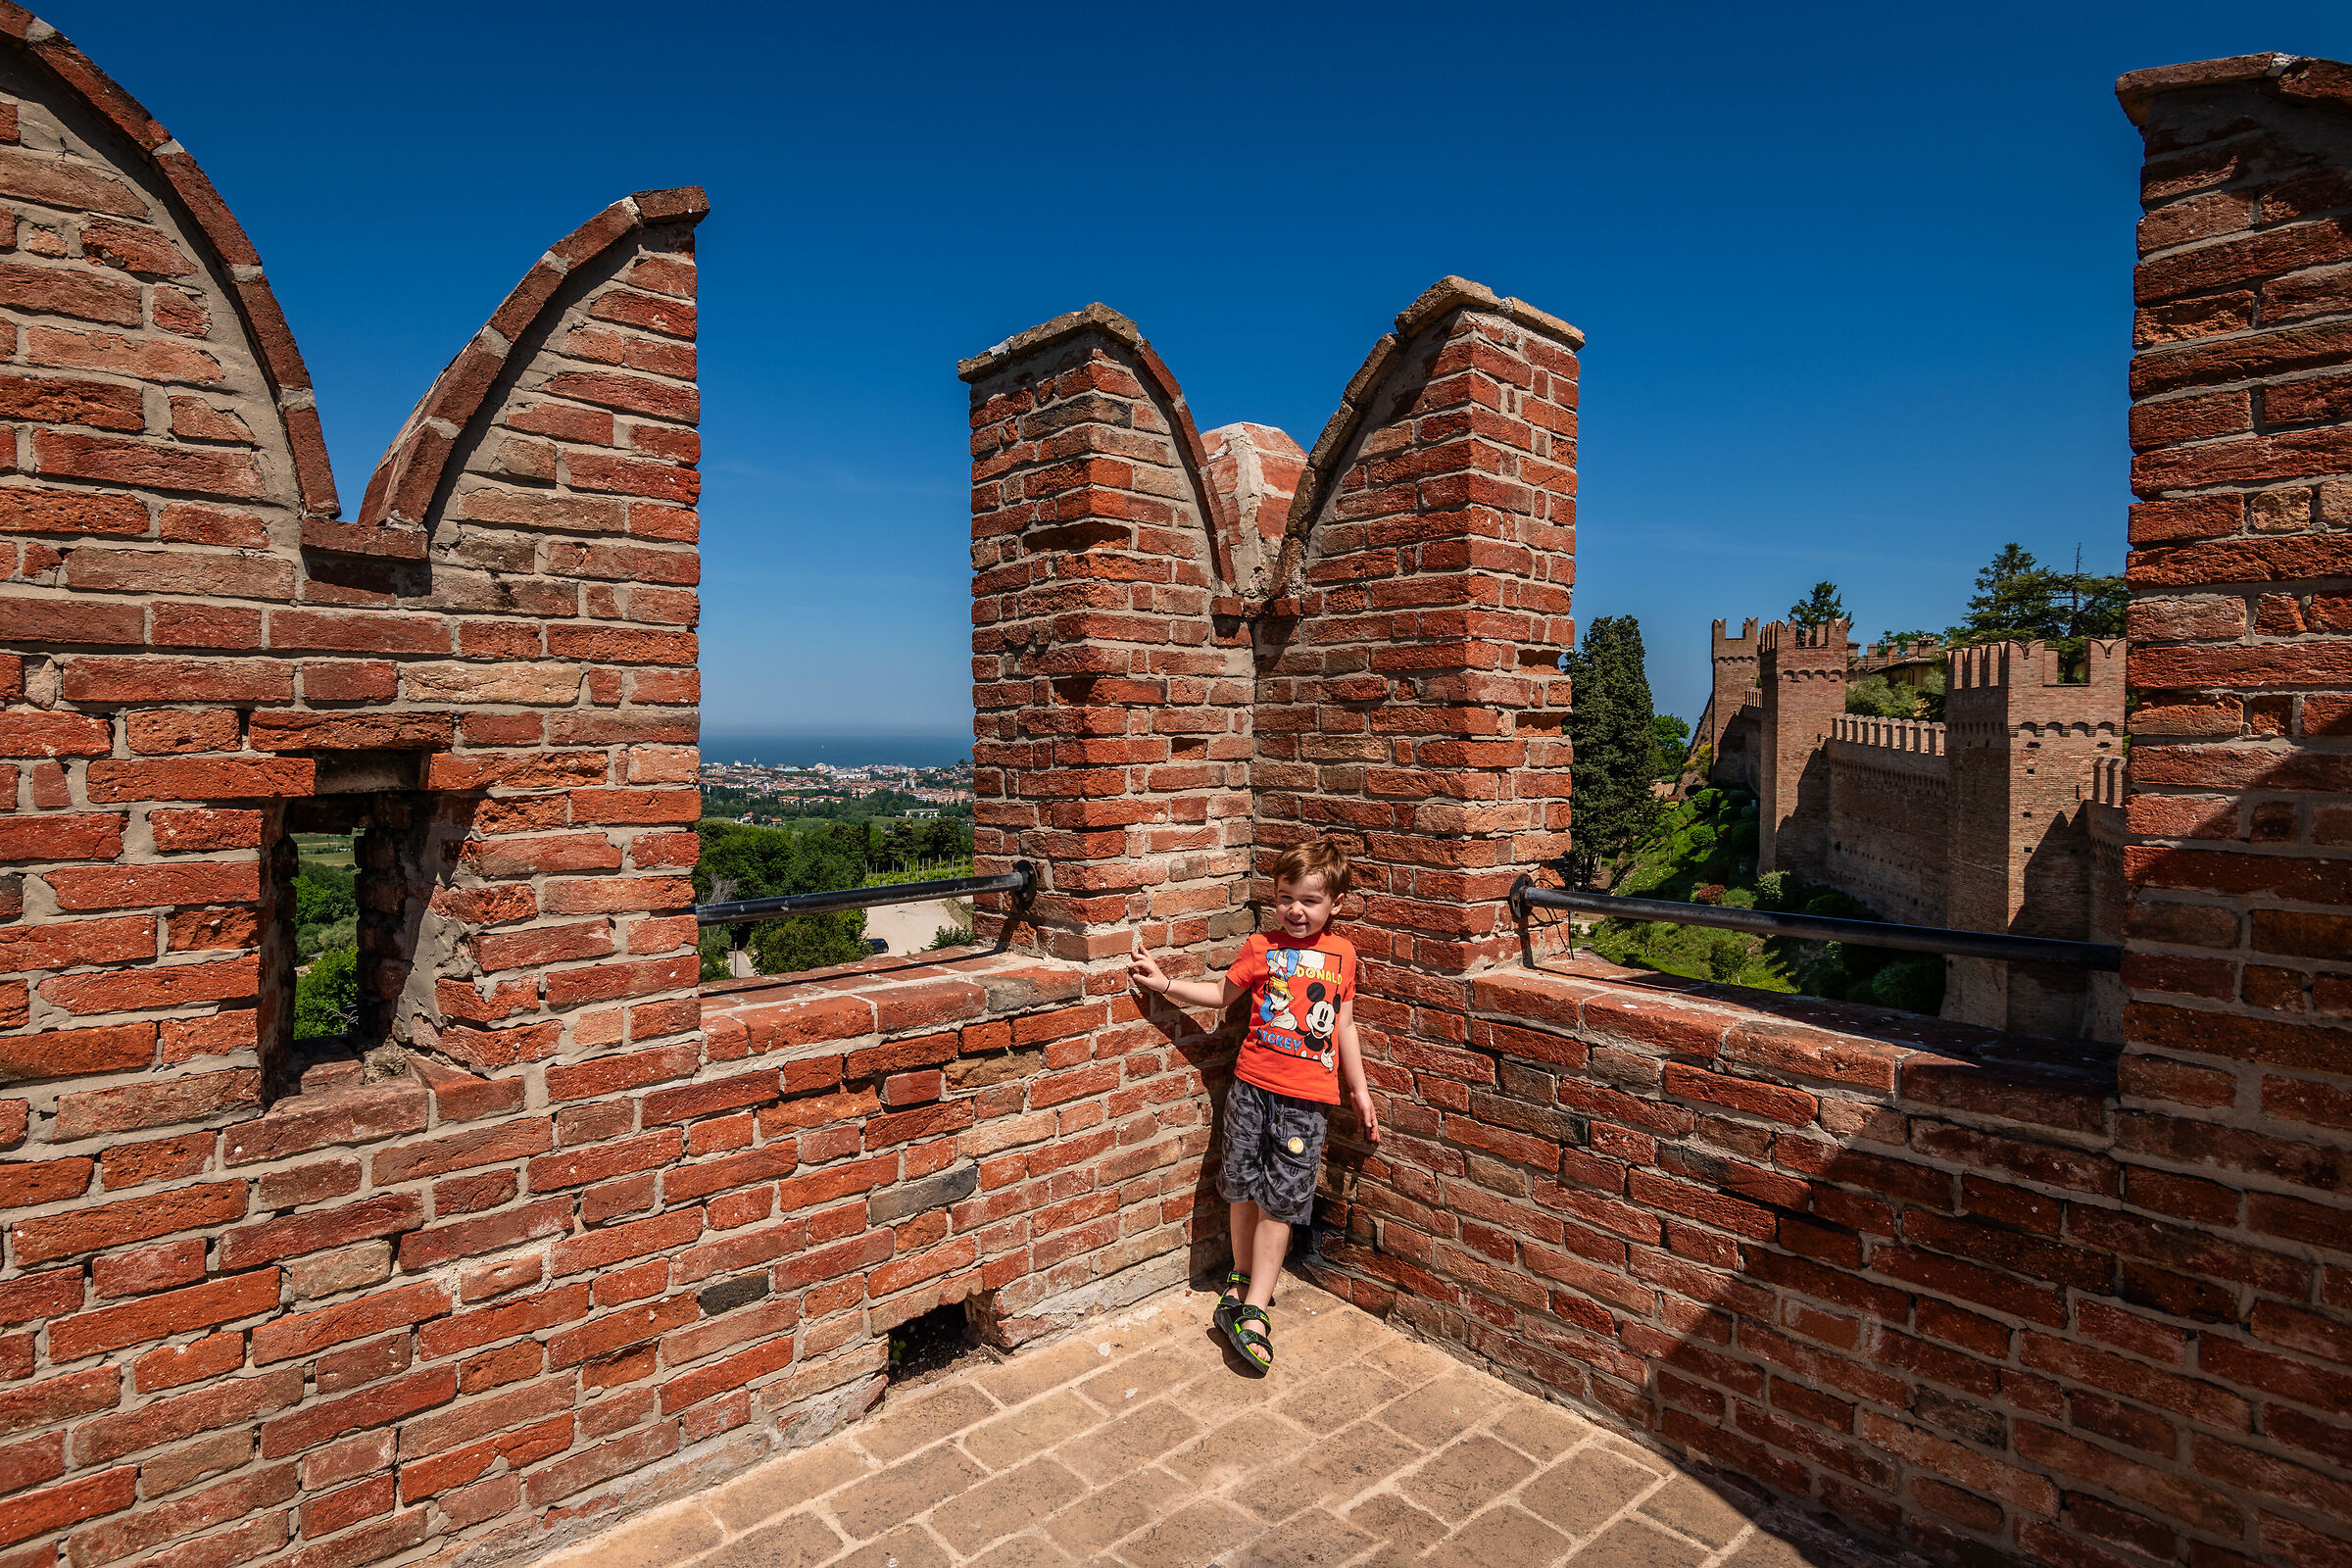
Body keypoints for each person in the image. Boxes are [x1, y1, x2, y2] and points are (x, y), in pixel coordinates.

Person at [1126, 837, 1380, 1372]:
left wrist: (1358, 1090)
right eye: (1286, 896)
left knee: (1281, 1201)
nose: (1295, 909)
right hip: (1251, 1088)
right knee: (1243, 1189)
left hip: (1306, 1103)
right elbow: (1222, 996)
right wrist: (1165, 983)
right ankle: (1240, 1285)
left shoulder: (1343, 955)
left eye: (1310, 900)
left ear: (1335, 903)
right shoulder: (1261, 947)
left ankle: (1258, 1309)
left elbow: (1345, 1025)